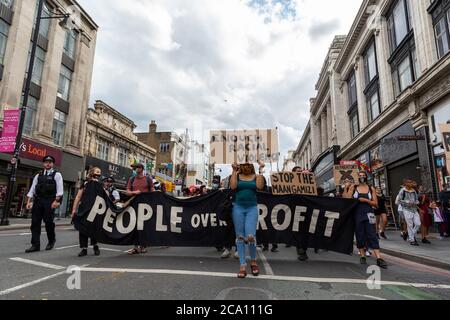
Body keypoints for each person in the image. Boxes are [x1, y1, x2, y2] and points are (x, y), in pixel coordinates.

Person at [343, 171, 387, 269]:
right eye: (360, 176)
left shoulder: (371, 188)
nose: (362, 177)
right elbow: (346, 199)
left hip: (369, 214)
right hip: (357, 214)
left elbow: (375, 203)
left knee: (372, 234)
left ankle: (379, 258)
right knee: (360, 234)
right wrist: (346, 187)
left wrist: (365, 200)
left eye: (363, 176)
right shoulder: (353, 187)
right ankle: (362, 256)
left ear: (366, 177)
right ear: (357, 177)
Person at [230, 162, 265, 278]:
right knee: (240, 237)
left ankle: (253, 262)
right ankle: (242, 265)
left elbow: (260, 186)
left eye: (248, 165)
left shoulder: (256, 176)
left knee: (250, 236)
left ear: (252, 167)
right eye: (243, 165)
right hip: (238, 208)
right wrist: (234, 170)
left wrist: (261, 170)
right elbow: (233, 187)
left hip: (251, 208)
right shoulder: (237, 175)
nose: (246, 166)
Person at [25, 156, 63, 253]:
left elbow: (60, 191)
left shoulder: (57, 175)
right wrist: (29, 201)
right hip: (38, 201)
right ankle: (35, 245)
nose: (48, 164)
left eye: (50, 162)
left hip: (49, 201)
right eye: (46, 162)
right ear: (43, 164)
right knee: (35, 223)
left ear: (53, 164)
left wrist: (56, 201)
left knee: (49, 222)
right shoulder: (38, 175)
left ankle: (51, 240)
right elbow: (32, 189)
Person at [72, 167, 102, 257]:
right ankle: (84, 248)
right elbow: (78, 197)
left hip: (94, 210)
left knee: (93, 228)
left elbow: (105, 196)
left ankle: (95, 246)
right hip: (83, 209)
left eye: (100, 172)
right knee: (82, 229)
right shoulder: (85, 183)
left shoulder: (100, 184)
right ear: (92, 172)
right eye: (97, 171)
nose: (99, 173)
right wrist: (74, 209)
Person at [126, 163, 155, 255]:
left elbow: (152, 191)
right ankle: (135, 247)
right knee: (134, 226)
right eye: (135, 168)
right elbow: (127, 192)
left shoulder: (148, 178)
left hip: (145, 206)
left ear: (142, 168)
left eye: (137, 167)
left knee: (144, 226)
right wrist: (135, 192)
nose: (135, 169)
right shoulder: (132, 179)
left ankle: (143, 246)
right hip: (134, 205)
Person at [396, 178, 421, 246]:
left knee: (418, 223)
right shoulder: (402, 191)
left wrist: (416, 202)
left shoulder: (414, 191)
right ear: (405, 183)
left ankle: (409, 234)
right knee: (409, 225)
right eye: (409, 182)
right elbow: (398, 201)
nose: (411, 184)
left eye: (411, 182)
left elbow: (416, 199)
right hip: (406, 209)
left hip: (414, 209)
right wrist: (407, 202)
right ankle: (412, 239)